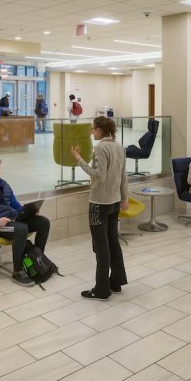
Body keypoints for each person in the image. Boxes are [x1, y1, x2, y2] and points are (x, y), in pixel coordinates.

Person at [0, 156, 50, 287]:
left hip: (11, 221)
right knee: (21, 228)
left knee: (43, 222)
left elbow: (16, 205)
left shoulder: (4, 185)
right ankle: (17, 271)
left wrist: (29, 211)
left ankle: (38, 260)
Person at [71, 116, 129, 300]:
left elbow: (98, 175)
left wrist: (79, 160)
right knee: (113, 242)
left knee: (101, 247)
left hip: (99, 203)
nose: (91, 131)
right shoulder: (118, 146)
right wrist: (125, 198)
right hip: (114, 202)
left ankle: (101, 289)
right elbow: (123, 176)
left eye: (93, 129)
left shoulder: (101, 148)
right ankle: (116, 282)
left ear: (100, 130)